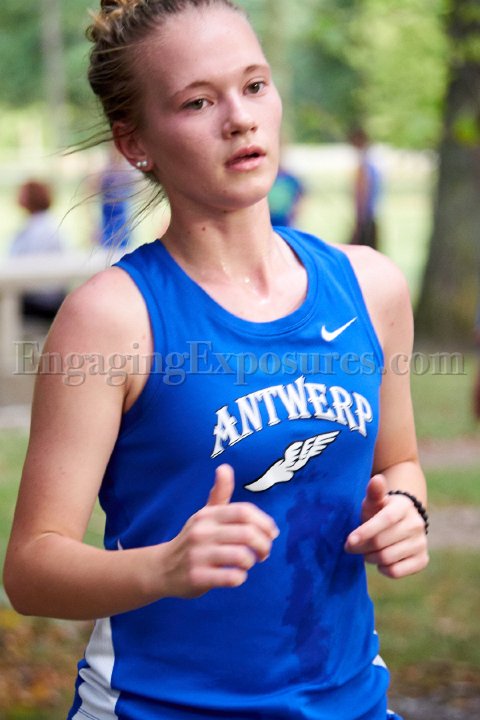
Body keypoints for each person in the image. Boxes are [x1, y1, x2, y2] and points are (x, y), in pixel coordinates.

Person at [3, 2, 429, 719]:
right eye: (198, 102)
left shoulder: (371, 287)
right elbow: (30, 570)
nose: (240, 119)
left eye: (254, 85)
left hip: (352, 702)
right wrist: (164, 568)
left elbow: (402, 464)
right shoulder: (112, 319)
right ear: (135, 142)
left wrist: (406, 512)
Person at [9, 179, 66, 320]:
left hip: (41, 300)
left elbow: (21, 265)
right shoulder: (42, 224)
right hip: (41, 295)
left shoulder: (40, 229)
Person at [349, 127, 382, 250]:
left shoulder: (365, 163)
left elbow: (363, 191)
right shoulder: (373, 160)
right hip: (369, 216)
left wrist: (360, 219)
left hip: (366, 218)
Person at [97, 142, 133, 250]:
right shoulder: (105, 173)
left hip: (121, 217)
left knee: (123, 246)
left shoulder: (126, 172)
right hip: (108, 217)